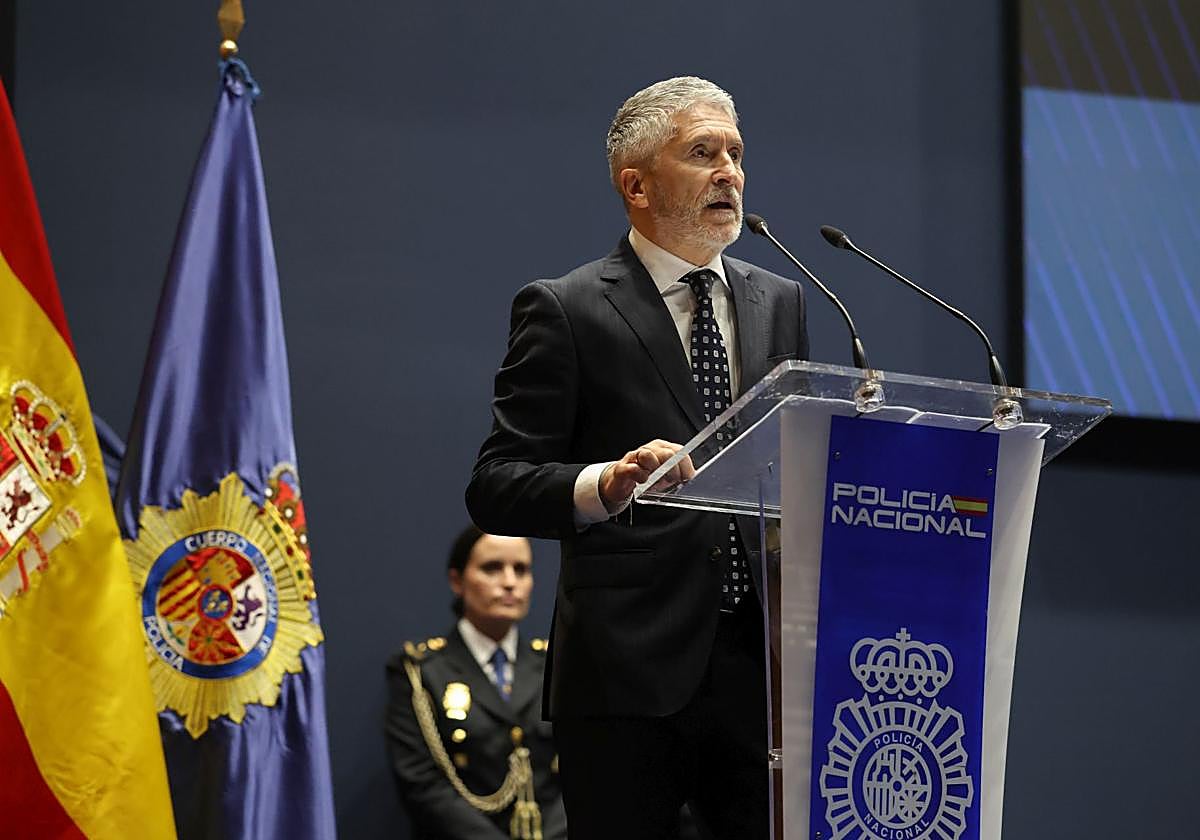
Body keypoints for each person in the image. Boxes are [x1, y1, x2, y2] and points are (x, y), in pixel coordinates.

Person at [466, 76, 809, 839]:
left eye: (736, 153)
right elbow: (496, 485)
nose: (731, 172)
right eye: (703, 152)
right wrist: (605, 484)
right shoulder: (567, 307)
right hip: (625, 677)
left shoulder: (779, 300)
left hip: (762, 673)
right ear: (637, 184)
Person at [385, 525, 566, 839]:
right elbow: (422, 784)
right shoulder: (420, 672)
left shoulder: (555, 664)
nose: (510, 582)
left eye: (521, 570)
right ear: (458, 581)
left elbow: (586, 772)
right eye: (492, 568)